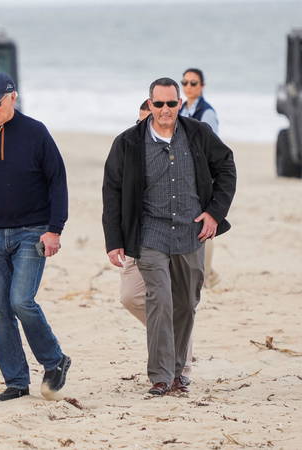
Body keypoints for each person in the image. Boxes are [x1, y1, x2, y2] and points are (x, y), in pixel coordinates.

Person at [103, 78, 236, 396]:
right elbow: (113, 191)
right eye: (158, 104)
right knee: (159, 300)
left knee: (186, 303)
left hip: (191, 232)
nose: (165, 110)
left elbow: (227, 166)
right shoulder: (128, 143)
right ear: (149, 105)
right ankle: (161, 376)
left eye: (171, 103)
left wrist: (215, 212)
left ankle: (179, 372)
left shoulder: (198, 134)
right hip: (151, 233)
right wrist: (114, 239)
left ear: (180, 103)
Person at [0, 72, 71, 403]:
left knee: (21, 301)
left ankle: (55, 360)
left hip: (33, 232)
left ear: (12, 98)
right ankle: (17, 381)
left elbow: (57, 182)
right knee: (0, 310)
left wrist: (55, 229)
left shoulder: (36, 133)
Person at [119, 99, 194, 382]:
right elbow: (114, 191)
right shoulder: (130, 146)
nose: (142, 125)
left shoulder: (179, 145)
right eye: (139, 121)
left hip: (174, 234)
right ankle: (171, 340)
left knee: (175, 302)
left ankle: (178, 364)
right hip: (136, 235)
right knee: (130, 296)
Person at [179, 68, 220, 288]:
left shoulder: (207, 113)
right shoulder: (180, 109)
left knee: (205, 222)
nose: (188, 87)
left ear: (202, 86)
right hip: (183, 175)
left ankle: (207, 273)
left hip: (201, 176)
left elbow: (210, 147)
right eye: (185, 82)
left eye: (193, 83)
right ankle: (202, 271)